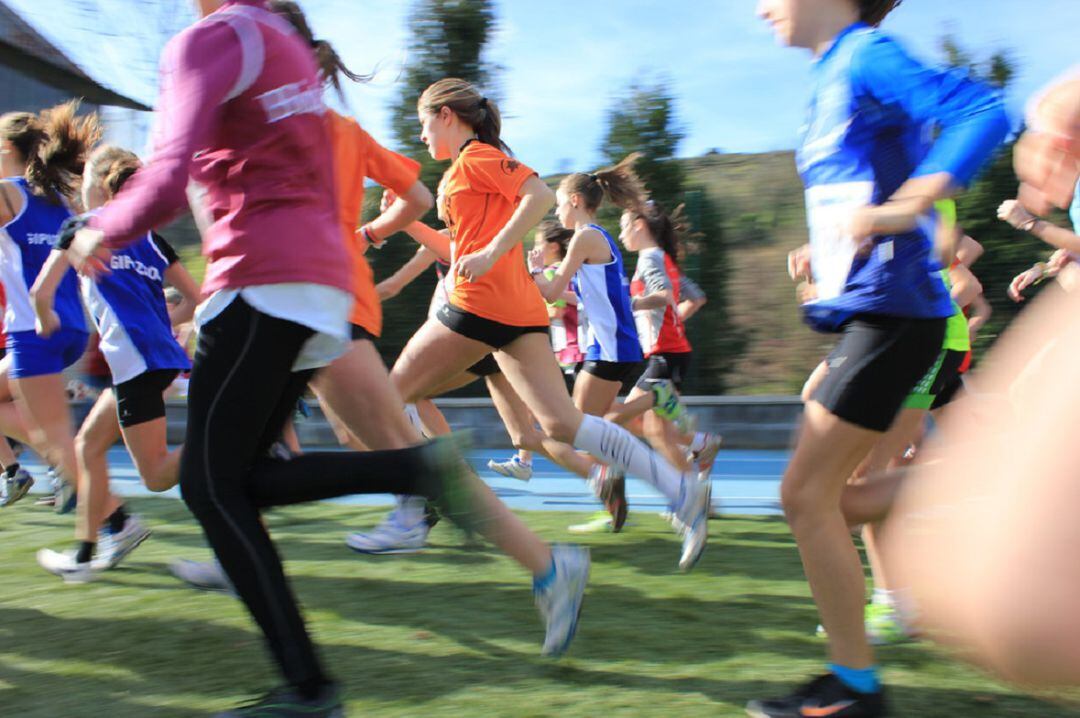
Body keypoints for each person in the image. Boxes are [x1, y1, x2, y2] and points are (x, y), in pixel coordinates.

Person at [65, 3, 587, 715]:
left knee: (269, 469)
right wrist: (368, 231)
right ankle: (531, 557)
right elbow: (416, 194)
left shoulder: (223, 57)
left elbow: (178, 183)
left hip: (275, 285)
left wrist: (103, 230)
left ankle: (413, 530)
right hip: (331, 293)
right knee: (257, 466)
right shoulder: (327, 116)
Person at [750, 1, 1008, 716]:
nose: (762, 4)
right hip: (874, 312)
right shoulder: (831, 72)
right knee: (831, 499)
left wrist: (904, 208)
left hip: (902, 317)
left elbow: (983, 111)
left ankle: (856, 686)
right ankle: (854, 681)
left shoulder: (865, 53)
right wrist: (826, 254)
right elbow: (854, 190)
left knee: (806, 496)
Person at [387, 77, 710, 569]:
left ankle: (417, 508)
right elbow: (456, 250)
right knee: (562, 424)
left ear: (447, 115)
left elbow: (536, 195)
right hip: (517, 312)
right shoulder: (461, 173)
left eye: (423, 124)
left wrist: (494, 252)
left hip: (479, 306)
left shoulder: (477, 157)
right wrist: (403, 221)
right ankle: (680, 490)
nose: (421, 136)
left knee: (390, 395)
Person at [33, 145, 198, 583]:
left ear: (99, 182)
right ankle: (85, 555)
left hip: (136, 365)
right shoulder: (151, 239)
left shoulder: (80, 229)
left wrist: (44, 319)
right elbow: (196, 299)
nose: (78, 186)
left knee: (158, 475)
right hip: (157, 360)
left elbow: (40, 292)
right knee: (88, 445)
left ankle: (237, 439)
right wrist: (166, 326)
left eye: (84, 176)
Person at [0, 100, 100, 521]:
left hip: (35, 328)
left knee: (53, 434)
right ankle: (26, 469)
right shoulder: (63, 201)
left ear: (9, 149)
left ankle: (74, 472)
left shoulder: (9, 194)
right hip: (71, 328)